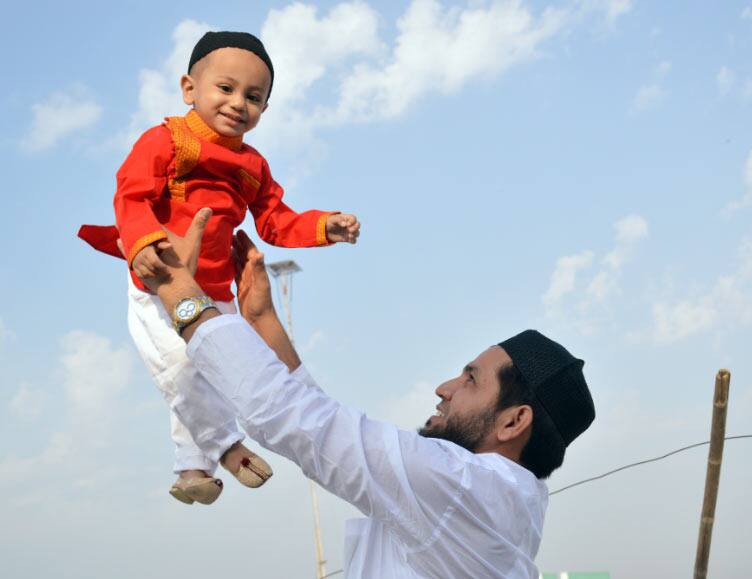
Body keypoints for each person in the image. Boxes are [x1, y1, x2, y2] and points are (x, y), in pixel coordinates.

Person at [142, 208, 596, 578]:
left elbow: (293, 419)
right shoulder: (493, 500)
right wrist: (262, 319)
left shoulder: (463, 488)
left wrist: (176, 288)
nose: (445, 389)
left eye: (471, 379)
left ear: (513, 421)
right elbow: (317, 423)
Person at [77, 31, 361, 505]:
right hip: (160, 279)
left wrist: (325, 226)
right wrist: (143, 242)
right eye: (225, 89)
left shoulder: (253, 166)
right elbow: (131, 194)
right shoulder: (166, 139)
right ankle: (226, 448)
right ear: (190, 88)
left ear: (265, 109)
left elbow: (275, 219)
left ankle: (191, 468)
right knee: (182, 367)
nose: (237, 104)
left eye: (253, 96)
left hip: (217, 290)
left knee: (215, 372)